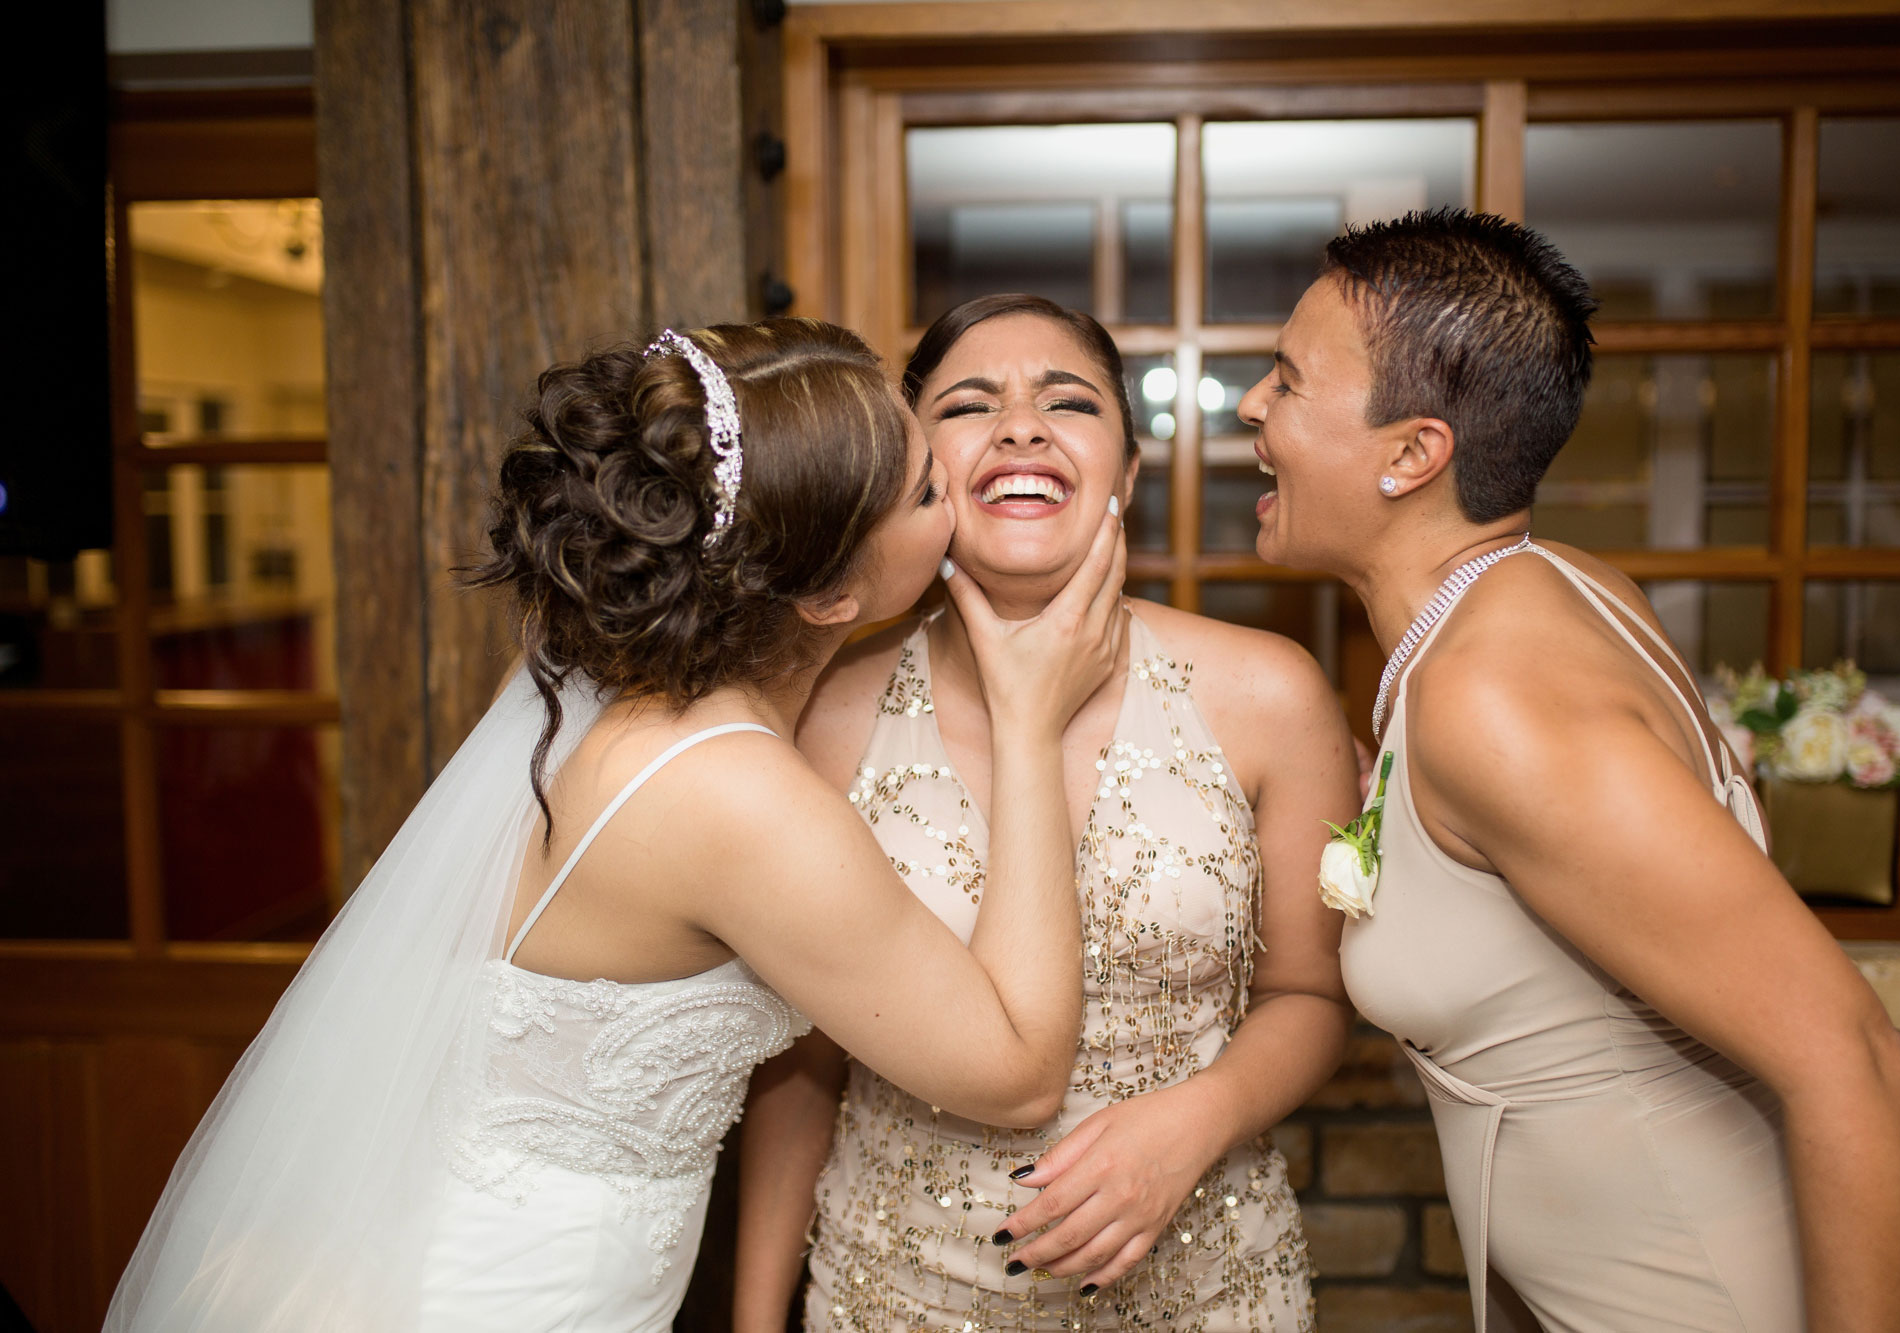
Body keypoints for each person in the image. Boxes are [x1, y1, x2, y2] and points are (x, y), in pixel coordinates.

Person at [104, 317, 1131, 1332]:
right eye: (924, 490)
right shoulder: (735, 796)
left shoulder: (593, 677)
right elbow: (1016, 1072)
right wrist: (1028, 724)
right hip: (505, 1299)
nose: (962, 482)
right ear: (826, 595)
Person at [1241, 208, 1900, 1333]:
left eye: (1286, 380)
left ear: (1412, 453)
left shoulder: (1491, 698)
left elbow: (1849, 1055)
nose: (1252, 407)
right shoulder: (1542, 591)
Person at [733, 295, 1359, 1333]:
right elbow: (798, 1060)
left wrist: (1192, 1123)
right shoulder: (825, 713)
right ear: (914, 471)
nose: (1020, 424)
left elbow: (1310, 993)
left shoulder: (1267, 694)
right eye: (971, 404)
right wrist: (754, 1322)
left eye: (1065, 401)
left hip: (1204, 1289)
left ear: (1126, 471)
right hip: (897, 1293)